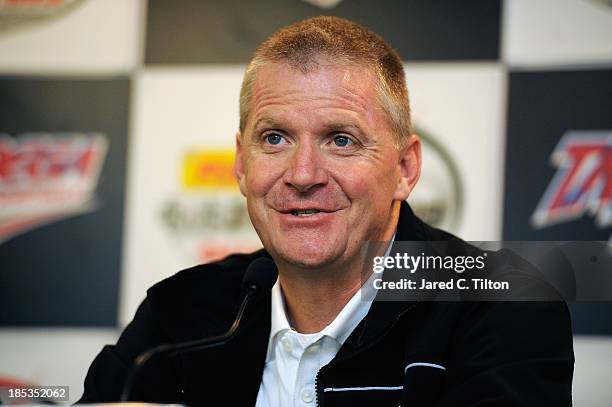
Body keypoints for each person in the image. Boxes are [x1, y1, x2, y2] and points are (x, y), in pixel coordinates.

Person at [79, 16, 573, 406]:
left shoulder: (503, 306)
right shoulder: (179, 312)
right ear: (241, 163)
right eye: (275, 138)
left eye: (340, 140)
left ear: (405, 167)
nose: (303, 174)